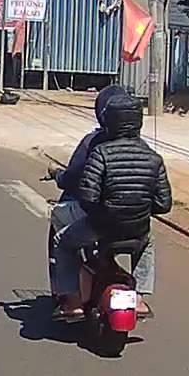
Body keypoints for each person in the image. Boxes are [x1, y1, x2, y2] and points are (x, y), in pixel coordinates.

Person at [52, 92, 172, 318]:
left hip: (100, 227)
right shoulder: (153, 157)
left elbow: (88, 197)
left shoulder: (100, 152)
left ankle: (73, 301)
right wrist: (140, 209)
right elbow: (164, 203)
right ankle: (139, 298)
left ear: (108, 122)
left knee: (63, 242)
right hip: (136, 229)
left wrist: (103, 212)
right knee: (147, 242)